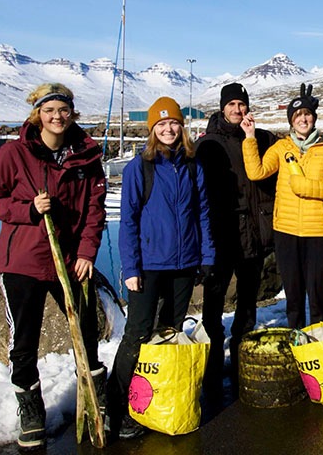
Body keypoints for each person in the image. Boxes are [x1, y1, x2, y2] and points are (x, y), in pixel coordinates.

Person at [0, 83, 107, 449]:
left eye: (63, 110)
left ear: (72, 113)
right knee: (24, 340)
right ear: (38, 114)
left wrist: (86, 254)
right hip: (24, 262)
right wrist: (28, 210)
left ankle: (94, 401)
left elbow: (94, 212)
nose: (57, 116)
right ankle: (32, 412)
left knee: (86, 333)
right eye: (49, 110)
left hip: (69, 261)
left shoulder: (86, 156)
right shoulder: (13, 154)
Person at [109, 96, 216, 439]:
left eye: (174, 124)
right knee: (138, 335)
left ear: (181, 127)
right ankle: (119, 406)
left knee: (169, 332)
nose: (169, 129)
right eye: (162, 124)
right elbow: (128, 223)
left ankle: (156, 399)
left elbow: (202, 214)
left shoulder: (191, 164)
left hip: (185, 263)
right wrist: (131, 268)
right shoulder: (138, 168)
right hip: (150, 265)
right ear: (152, 128)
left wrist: (207, 255)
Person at [241, 84, 323, 329]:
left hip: (318, 232)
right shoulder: (281, 148)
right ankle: (296, 341)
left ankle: (316, 347)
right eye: (298, 116)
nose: (303, 119)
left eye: (307, 115)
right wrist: (249, 137)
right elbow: (256, 172)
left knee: (318, 296)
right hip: (286, 232)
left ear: (314, 118)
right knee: (294, 297)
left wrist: (306, 186)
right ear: (291, 120)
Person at [196, 83, 277, 390]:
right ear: (222, 108)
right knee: (214, 301)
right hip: (222, 234)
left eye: (241, 105)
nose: (237, 110)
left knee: (248, 299)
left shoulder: (263, 138)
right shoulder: (208, 144)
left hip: (254, 233)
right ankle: (214, 360)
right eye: (231, 105)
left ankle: (242, 354)